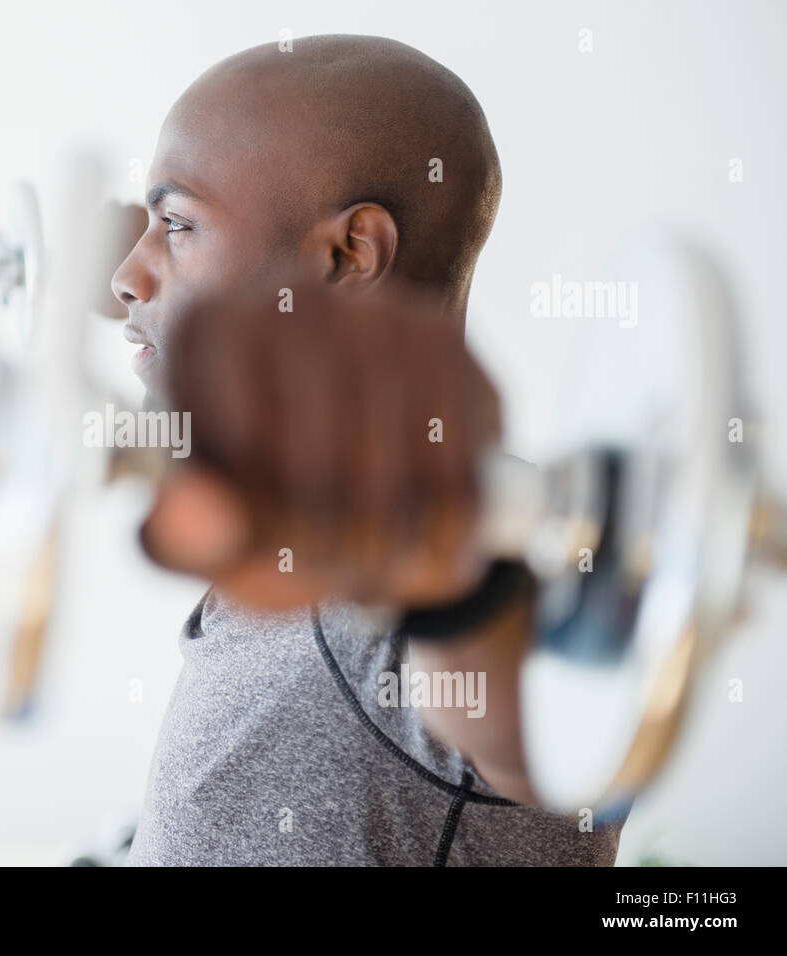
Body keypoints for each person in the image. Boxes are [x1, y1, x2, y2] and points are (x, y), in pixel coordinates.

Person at [101, 34, 627, 865]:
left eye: (176, 223)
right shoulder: (286, 530)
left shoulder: (490, 536)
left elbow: (571, 752)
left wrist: (447, 582)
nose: (128, 274)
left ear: (348, 256)